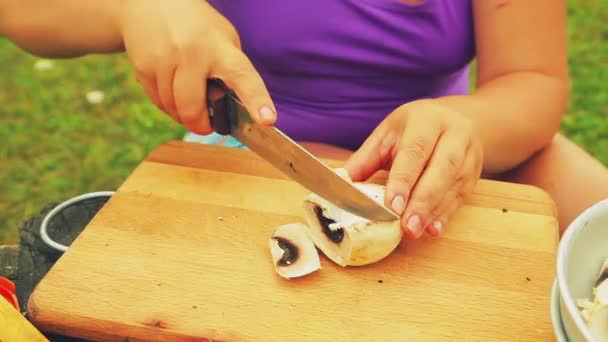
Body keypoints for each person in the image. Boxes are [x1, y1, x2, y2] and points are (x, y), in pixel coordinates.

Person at [0, 0, 606, 239]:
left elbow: (532, 82)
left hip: (450, 144)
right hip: (257, 151)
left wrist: (468, 123)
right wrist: (132, 6)